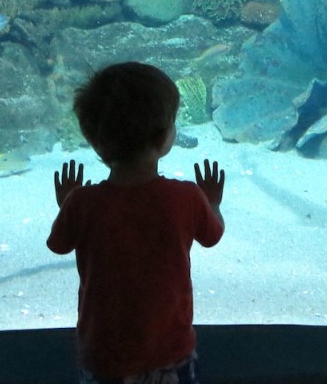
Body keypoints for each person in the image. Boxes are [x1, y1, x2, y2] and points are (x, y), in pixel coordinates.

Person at [47, 62, 226, 384]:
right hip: (170, 354)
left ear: (94, 140)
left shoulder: (83, 202)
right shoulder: (187, 197)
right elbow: (212, 236)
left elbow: (59, 244)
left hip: (103, 356)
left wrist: (67, 205)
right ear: (164, 137)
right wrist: (212, 201)